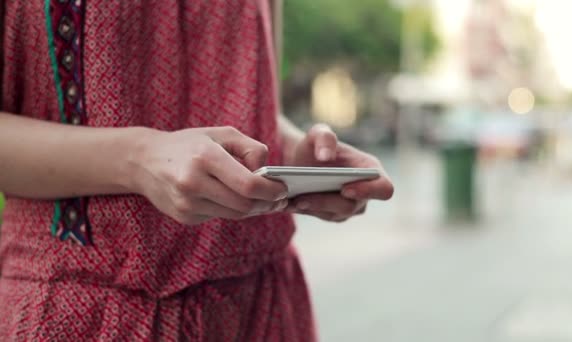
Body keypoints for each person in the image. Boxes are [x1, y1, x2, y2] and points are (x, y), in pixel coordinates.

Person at [0, 0, 394, 340]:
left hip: (262, 304)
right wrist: (137, 158)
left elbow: (258, 98)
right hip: (79, 310)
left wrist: (298, 154)